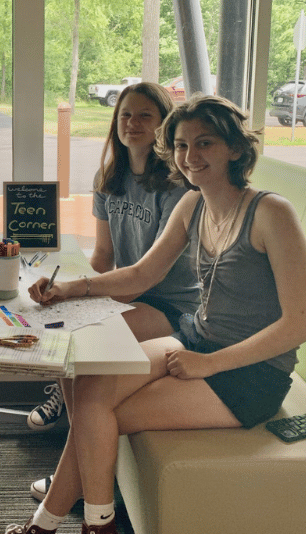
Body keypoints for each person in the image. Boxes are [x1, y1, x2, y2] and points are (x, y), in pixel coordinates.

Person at [0, 95, 306, 534]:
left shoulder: (272, 214)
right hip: (194, 341)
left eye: (205, 144)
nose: (190, 157)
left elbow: (297, 325)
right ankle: (80, 531)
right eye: (181, 145)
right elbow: (142, 273)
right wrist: (71, 288)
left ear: (235, 149)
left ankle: (72, 532)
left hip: (250, 374)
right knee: (91, 385)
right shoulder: (192, 205)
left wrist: (211, 365)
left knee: (103, 415)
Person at [27, 82, 199, 501]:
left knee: (85, 346)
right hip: (128, 291)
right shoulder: (108, 178)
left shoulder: (177, 186)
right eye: (125, 115)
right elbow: (102, 255)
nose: (132, 123)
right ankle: (83, 468)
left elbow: (147, 275)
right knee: (61, 328)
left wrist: (79, 291)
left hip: (171, 302)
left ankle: (75, 480)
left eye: (144, 116)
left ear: (164, 125)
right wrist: (58, 287)